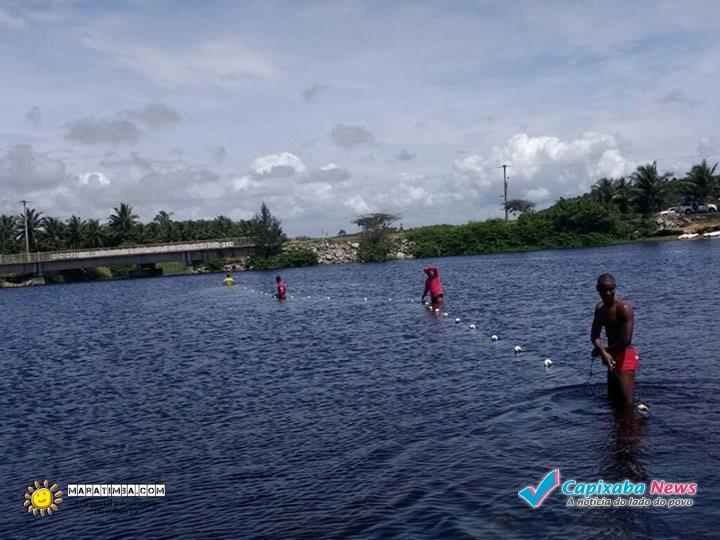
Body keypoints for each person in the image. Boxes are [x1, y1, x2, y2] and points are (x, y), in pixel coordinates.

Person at [590, 273, 638, 409]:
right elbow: (594, 336)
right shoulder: (599, 309)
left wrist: (604, 351)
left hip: (625, 354)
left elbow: (626, 340)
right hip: (611, 355)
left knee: (626, 401)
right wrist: (603, 353)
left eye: (611, 289)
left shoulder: (624, 308)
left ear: (615, 288)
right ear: (597, 289)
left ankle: (633, 426)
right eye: (604, 289)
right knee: (612, 399)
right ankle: (616, 429)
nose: (608, 293)